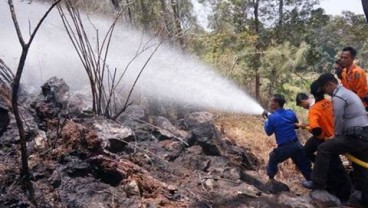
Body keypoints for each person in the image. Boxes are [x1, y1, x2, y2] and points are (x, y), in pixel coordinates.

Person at [312, 73, 368, 207]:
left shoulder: (338, 96)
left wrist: (336, 136)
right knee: (361, 167)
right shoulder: (347, 92)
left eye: (325, 89)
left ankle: (318, 185)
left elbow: (338, 118)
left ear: (330, 85)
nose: (325, 93)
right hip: (364, 135)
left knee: (324, 149)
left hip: (354, 136)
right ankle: (364, 199)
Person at [296, 81, 352, 202]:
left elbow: (316, 129)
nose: (303, 107)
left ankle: (344, 194)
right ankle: (322, 168)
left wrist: (321, 136)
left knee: (335, 166)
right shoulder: (329, 102)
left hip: (327, 139)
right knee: (307, 150)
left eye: (301, 105)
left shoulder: (314, 109)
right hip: (337, 135)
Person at [263, 94, 312, 184]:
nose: (270, 103)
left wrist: (266, 120)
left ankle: (271, 181)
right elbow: (296, 126)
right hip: (296, 145)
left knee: (273, 156)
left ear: (276, 103)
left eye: (271, 101)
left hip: (285, 147)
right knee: (304, 165)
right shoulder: (290, 112)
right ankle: (314, 183)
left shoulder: (271, 118)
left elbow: (268, 132)